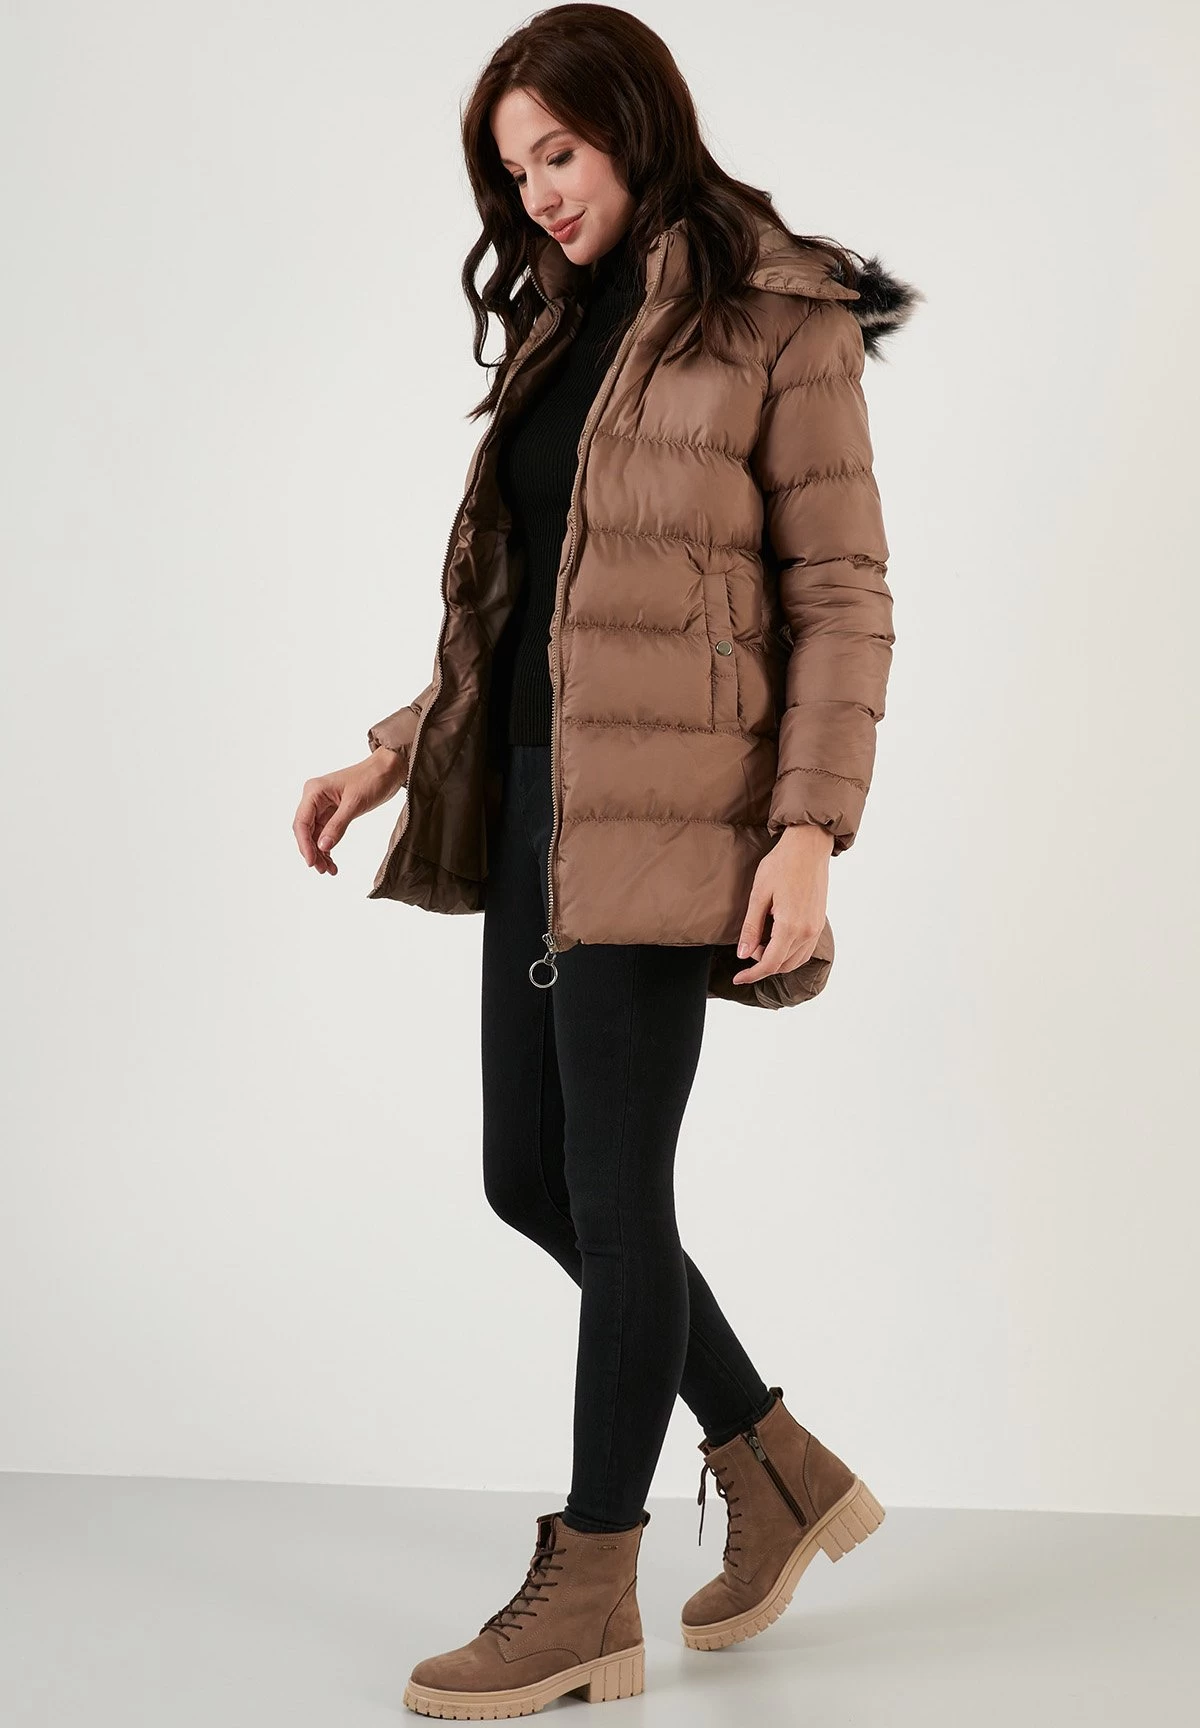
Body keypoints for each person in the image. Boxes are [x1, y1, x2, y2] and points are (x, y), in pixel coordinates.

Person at [292, 4, 921, 1717]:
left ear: (637, 122)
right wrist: (396, 748)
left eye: (557, 154)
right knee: (532, 1178)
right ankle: (775, 1463)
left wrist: (809, 829)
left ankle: (590, 1587)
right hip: (534, 801)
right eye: (515, 174)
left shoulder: (779, 317)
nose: (539, 196)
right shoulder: (567, 323)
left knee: (618, 1193)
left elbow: (841, 593)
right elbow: (531, 609)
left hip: (675, 814)